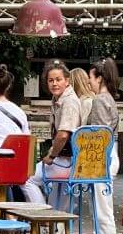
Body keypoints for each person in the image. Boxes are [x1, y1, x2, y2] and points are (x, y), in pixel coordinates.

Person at [23, 61, 82, 207]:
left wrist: (51, 156)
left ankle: (41, 217)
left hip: (66, 161)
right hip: (66, 161)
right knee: (57, 202)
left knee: (26, 178)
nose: (54, 84)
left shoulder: (69, 101)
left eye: (58, 79)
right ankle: (55, 227)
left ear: (67, 81)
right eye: (51, 80)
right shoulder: (58, 99)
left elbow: (63, 135)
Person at [87, 57, 122, 234]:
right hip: (111, 155)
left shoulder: (100, 100)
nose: (89, 82)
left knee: (102, 213)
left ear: (99, 78)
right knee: (103, 211)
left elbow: (98, 135)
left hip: (102, 157)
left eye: (91, 78)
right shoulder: (110, 99)